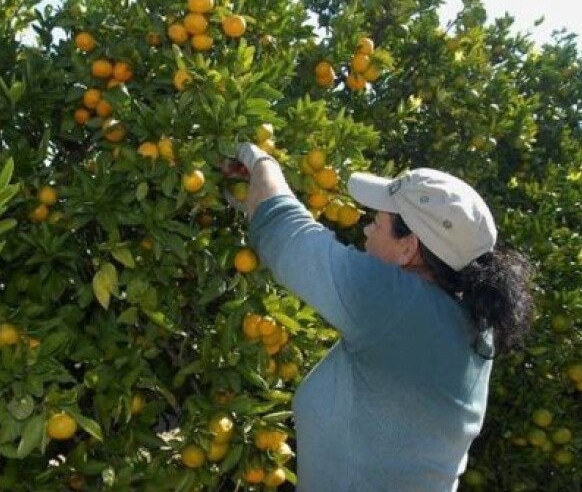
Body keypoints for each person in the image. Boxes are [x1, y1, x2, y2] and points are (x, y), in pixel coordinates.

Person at [226, 143, 535, 492]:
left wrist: (259, 160)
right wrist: (253, 199)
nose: (366, 231)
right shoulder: (472, 324)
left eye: (377, 222)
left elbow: (285, 234)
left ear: (408, 248)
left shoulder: (399, 305)